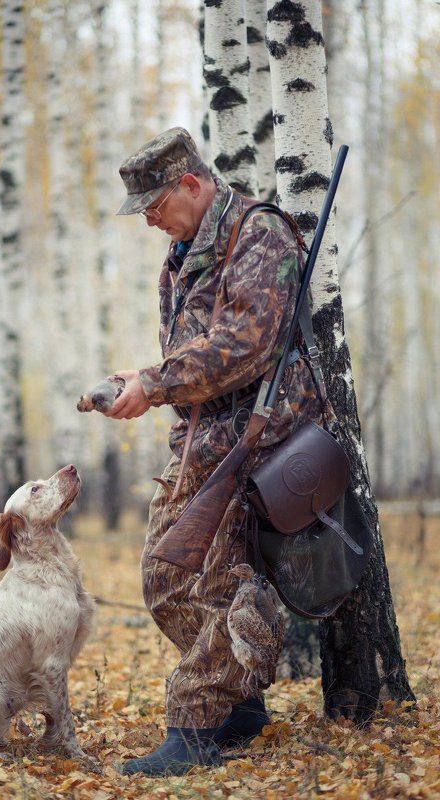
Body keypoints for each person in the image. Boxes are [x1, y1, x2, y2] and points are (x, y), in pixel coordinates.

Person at [105, 127, 325, 776]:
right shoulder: (181, 255)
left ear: (191, 185)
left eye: (154, 208)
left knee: (226, 587)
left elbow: (246, 343)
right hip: (202, 444)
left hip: (262, 444)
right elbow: (187, 359)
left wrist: (154, 382)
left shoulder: (257, 235)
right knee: (164, 579)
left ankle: (198, 722)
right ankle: (245, 705)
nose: (150, 224)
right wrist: (147, 385)